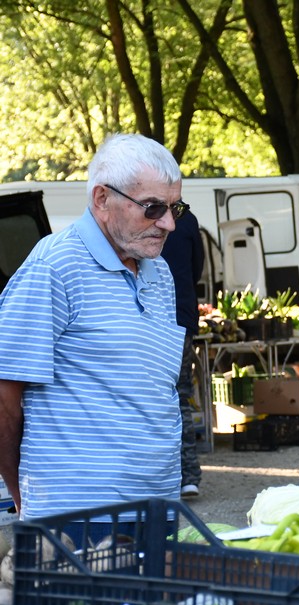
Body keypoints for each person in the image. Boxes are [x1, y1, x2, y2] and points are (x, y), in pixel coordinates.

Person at [0, 133, 186, 521]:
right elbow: (4, 394)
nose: (168, 223)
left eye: (175, 208)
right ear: (102, 199)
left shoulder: (160, 273)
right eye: (153, 208)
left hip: (158, 508)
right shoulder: (54, 267)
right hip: (77, 516)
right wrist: (22, 493)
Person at [161, 208, 205, 498]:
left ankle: (166, 476)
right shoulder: (187, 220)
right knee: (180, 396)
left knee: (159, 395)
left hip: (154, 316)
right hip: (182, 318)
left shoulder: (142, 214)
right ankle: (188, 475)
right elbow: (196, 269)